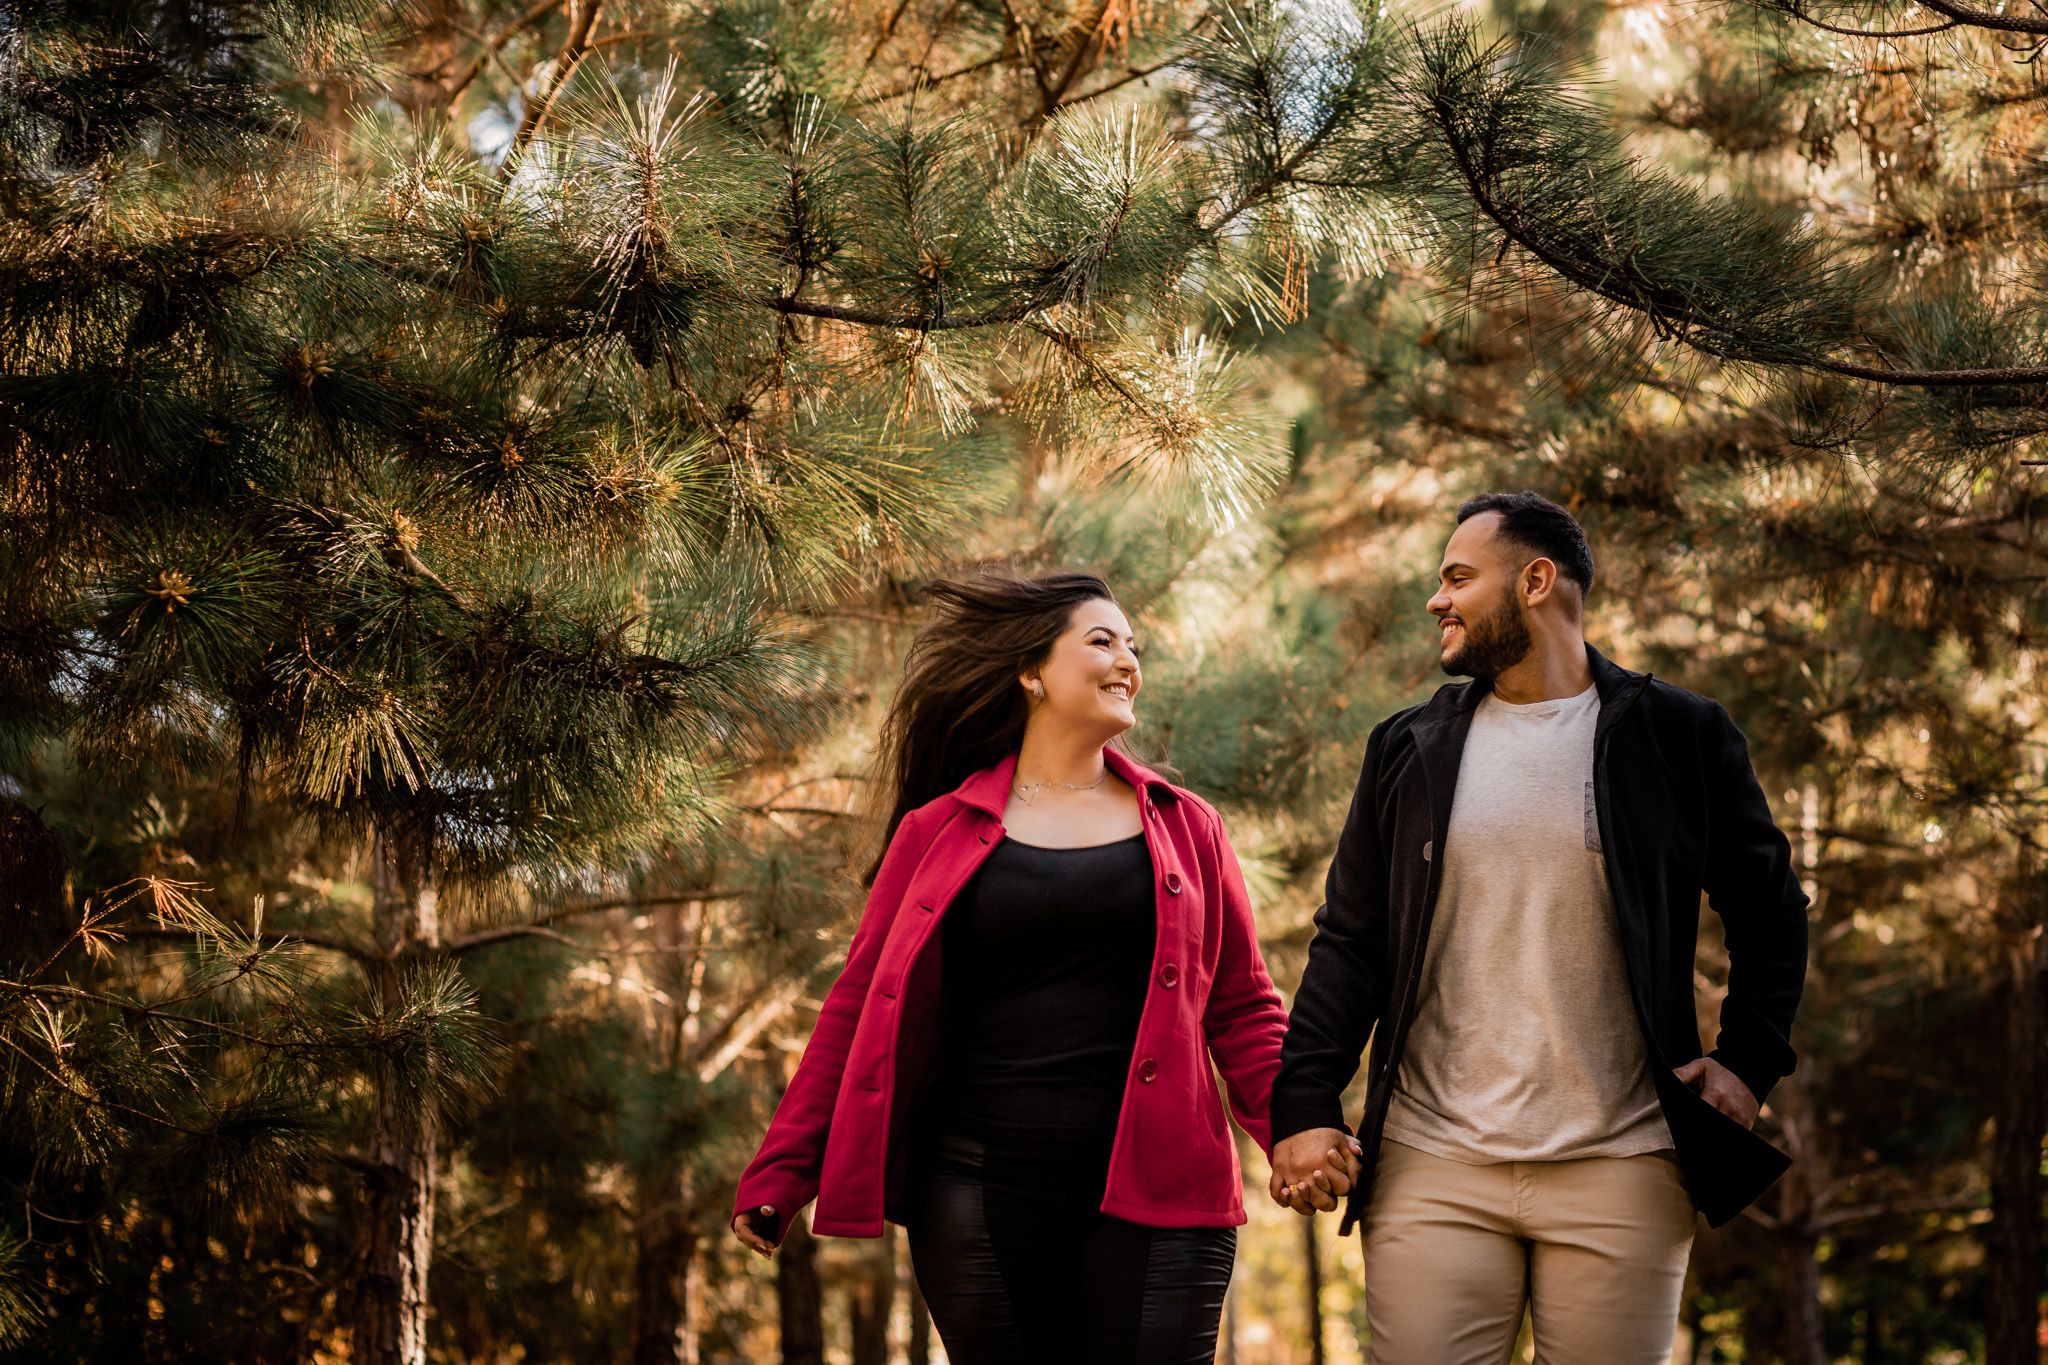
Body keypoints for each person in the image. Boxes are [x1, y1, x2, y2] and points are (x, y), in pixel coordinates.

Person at [729, 571, 1351, 1365]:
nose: (1128, 659)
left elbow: (1242, 1007)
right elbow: (859, 1006)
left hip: (1165, 1195)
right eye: (1103, 640)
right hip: (980, 1189)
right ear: (1031, 672)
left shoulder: (1188, 827)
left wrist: (1294, 1127)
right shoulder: (936, 832)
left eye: (1134, 645)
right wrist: (784, 1168)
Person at [1269, 491, 1811, 1364]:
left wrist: (1749, 1059)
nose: (1436, 601)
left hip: (1626, 1162)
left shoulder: (1679, 734)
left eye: (1457, 577)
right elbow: (1351, 942)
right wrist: (1301, 1103)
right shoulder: (1406, 747)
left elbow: (1771, 910)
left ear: (1535, 580)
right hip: (1430, 1161)